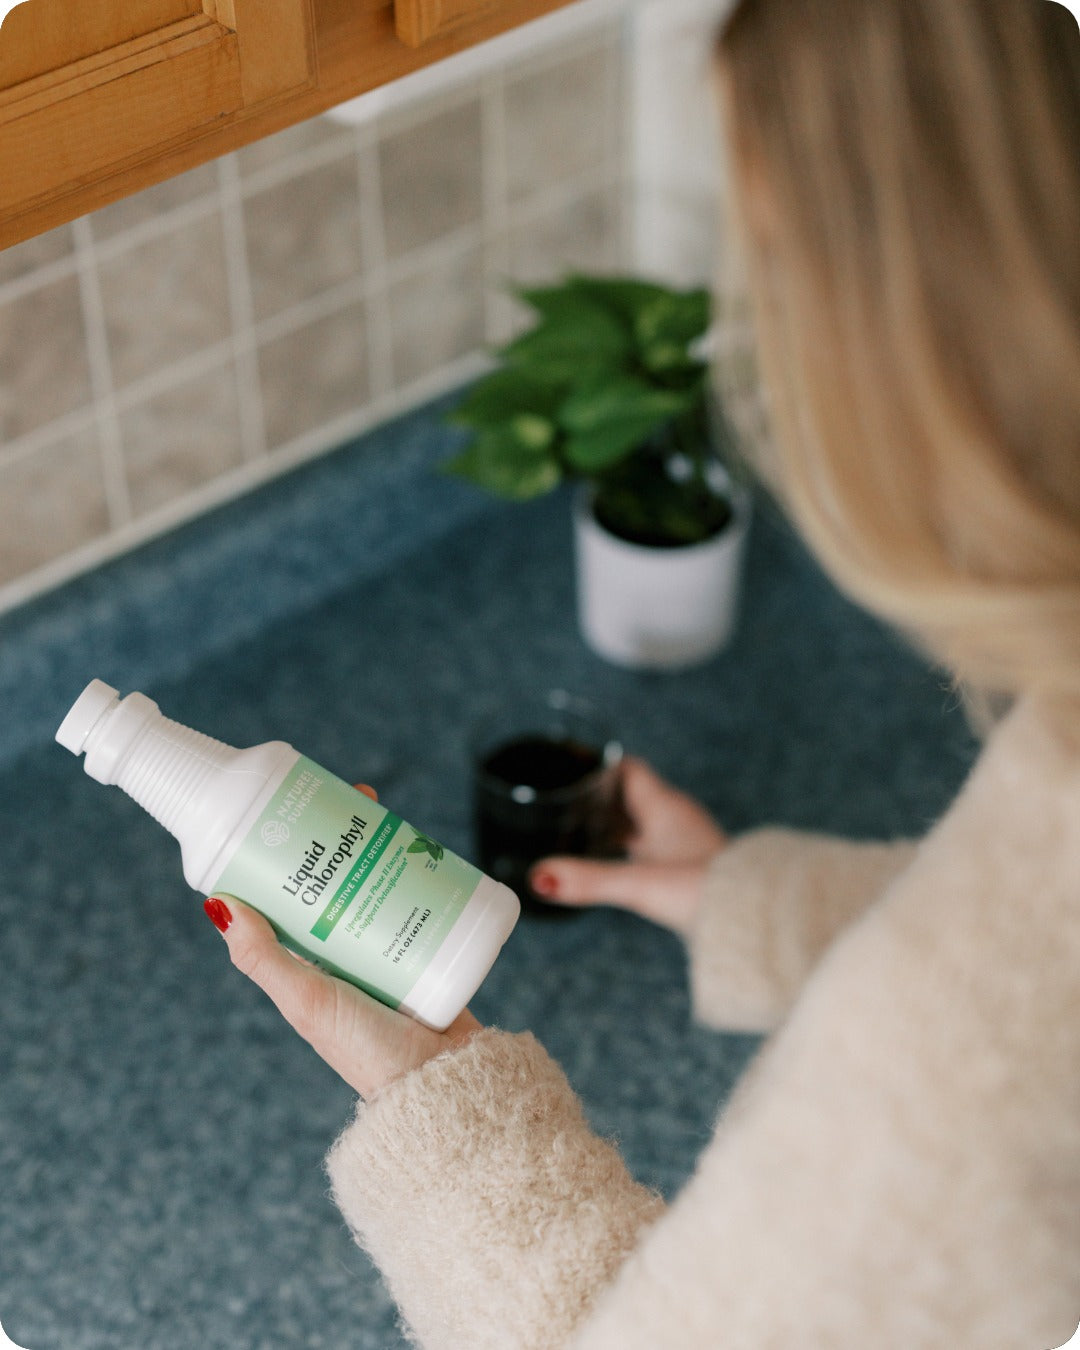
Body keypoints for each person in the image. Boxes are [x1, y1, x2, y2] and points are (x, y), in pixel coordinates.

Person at [200, 1, 1080, 1345]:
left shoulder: (957, 1072)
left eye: (771, 271)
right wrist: (774, 906)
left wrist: (435, 1092)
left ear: (916, 335)